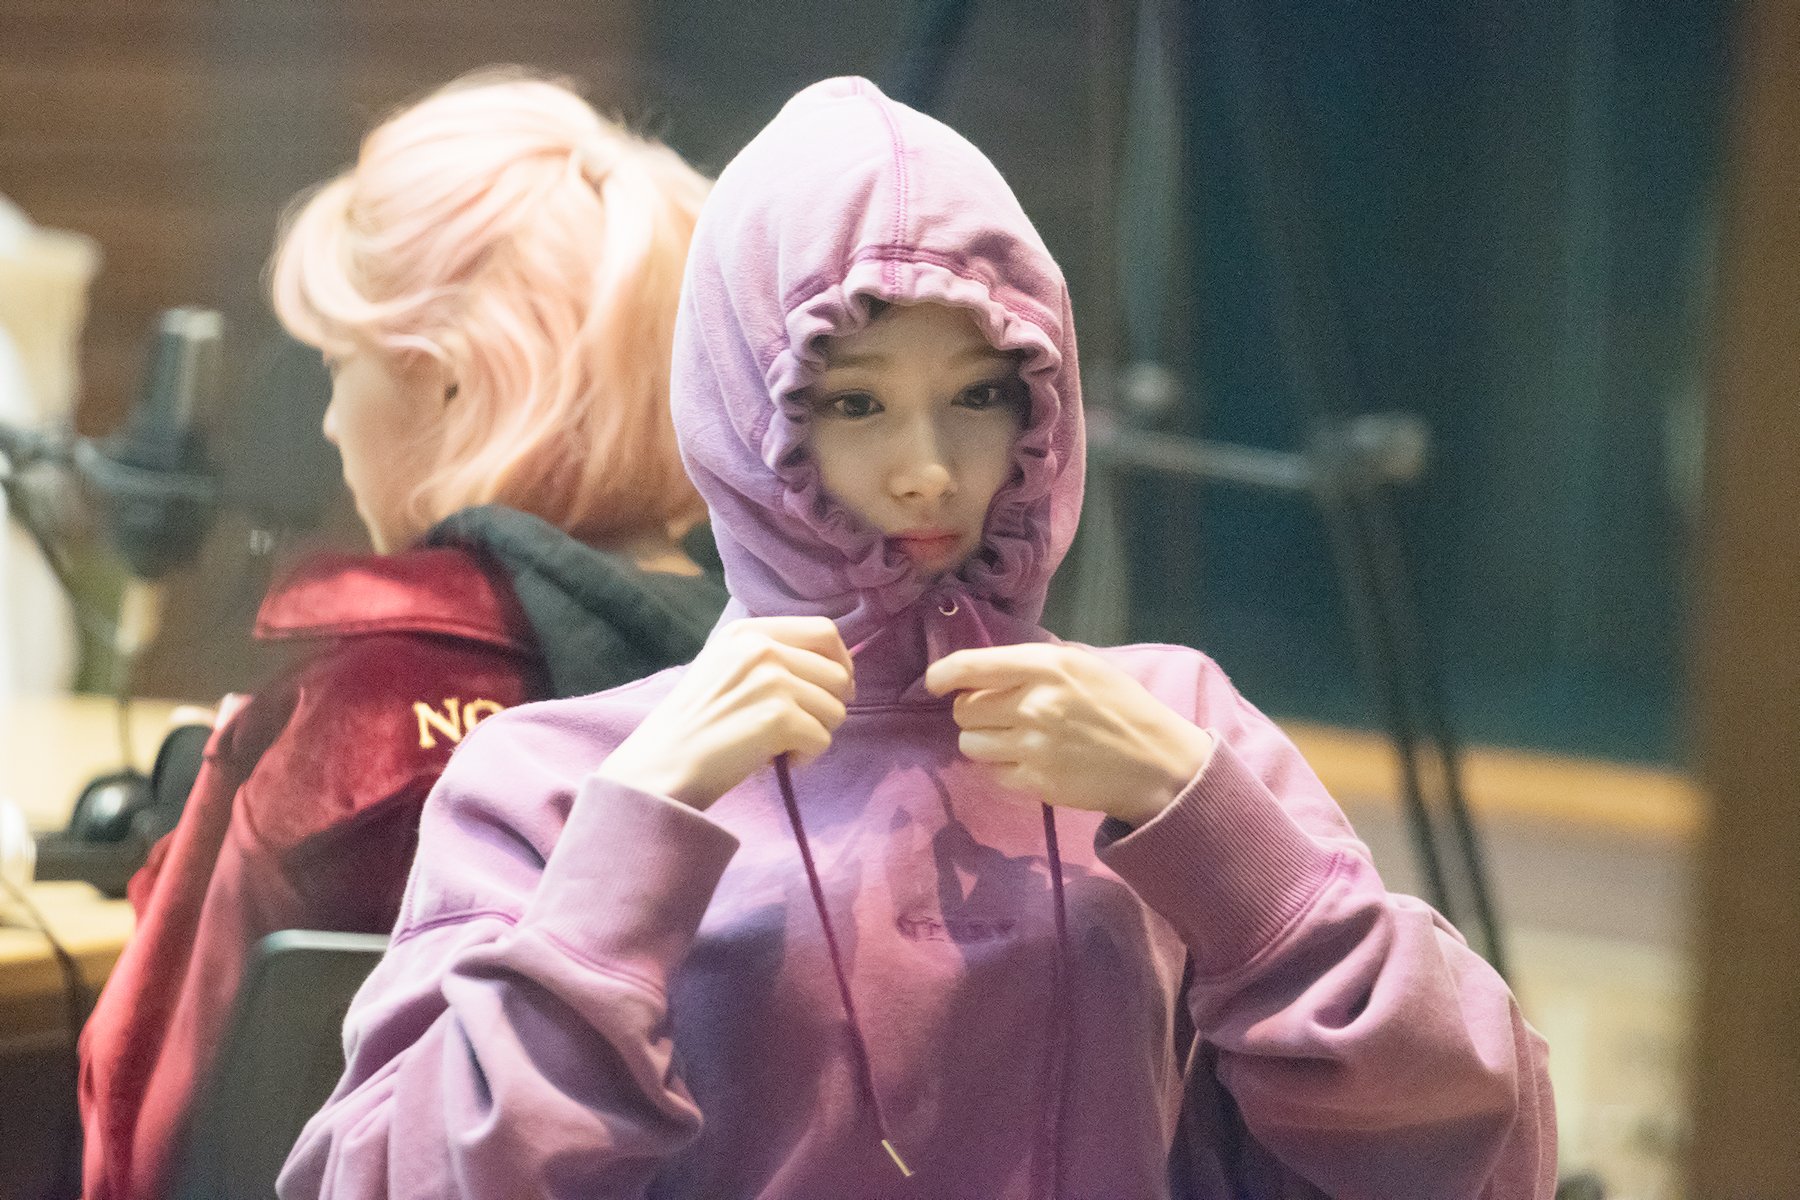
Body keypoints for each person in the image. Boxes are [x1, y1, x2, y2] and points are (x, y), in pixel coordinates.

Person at [279, 77, 1555, 1200]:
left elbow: (1482, 1151)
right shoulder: (555, 779)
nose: (929, 472)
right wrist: (631, 841)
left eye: (979, 396)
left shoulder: (1175, 726)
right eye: (856, 404)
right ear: (748, 405)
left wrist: (1210, 826)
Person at [77, 70, 729, 1200]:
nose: (333, 421)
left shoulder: (360, 701)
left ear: (443, 383)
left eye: (340, 367)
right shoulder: (788, 674)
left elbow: (149, 1115)